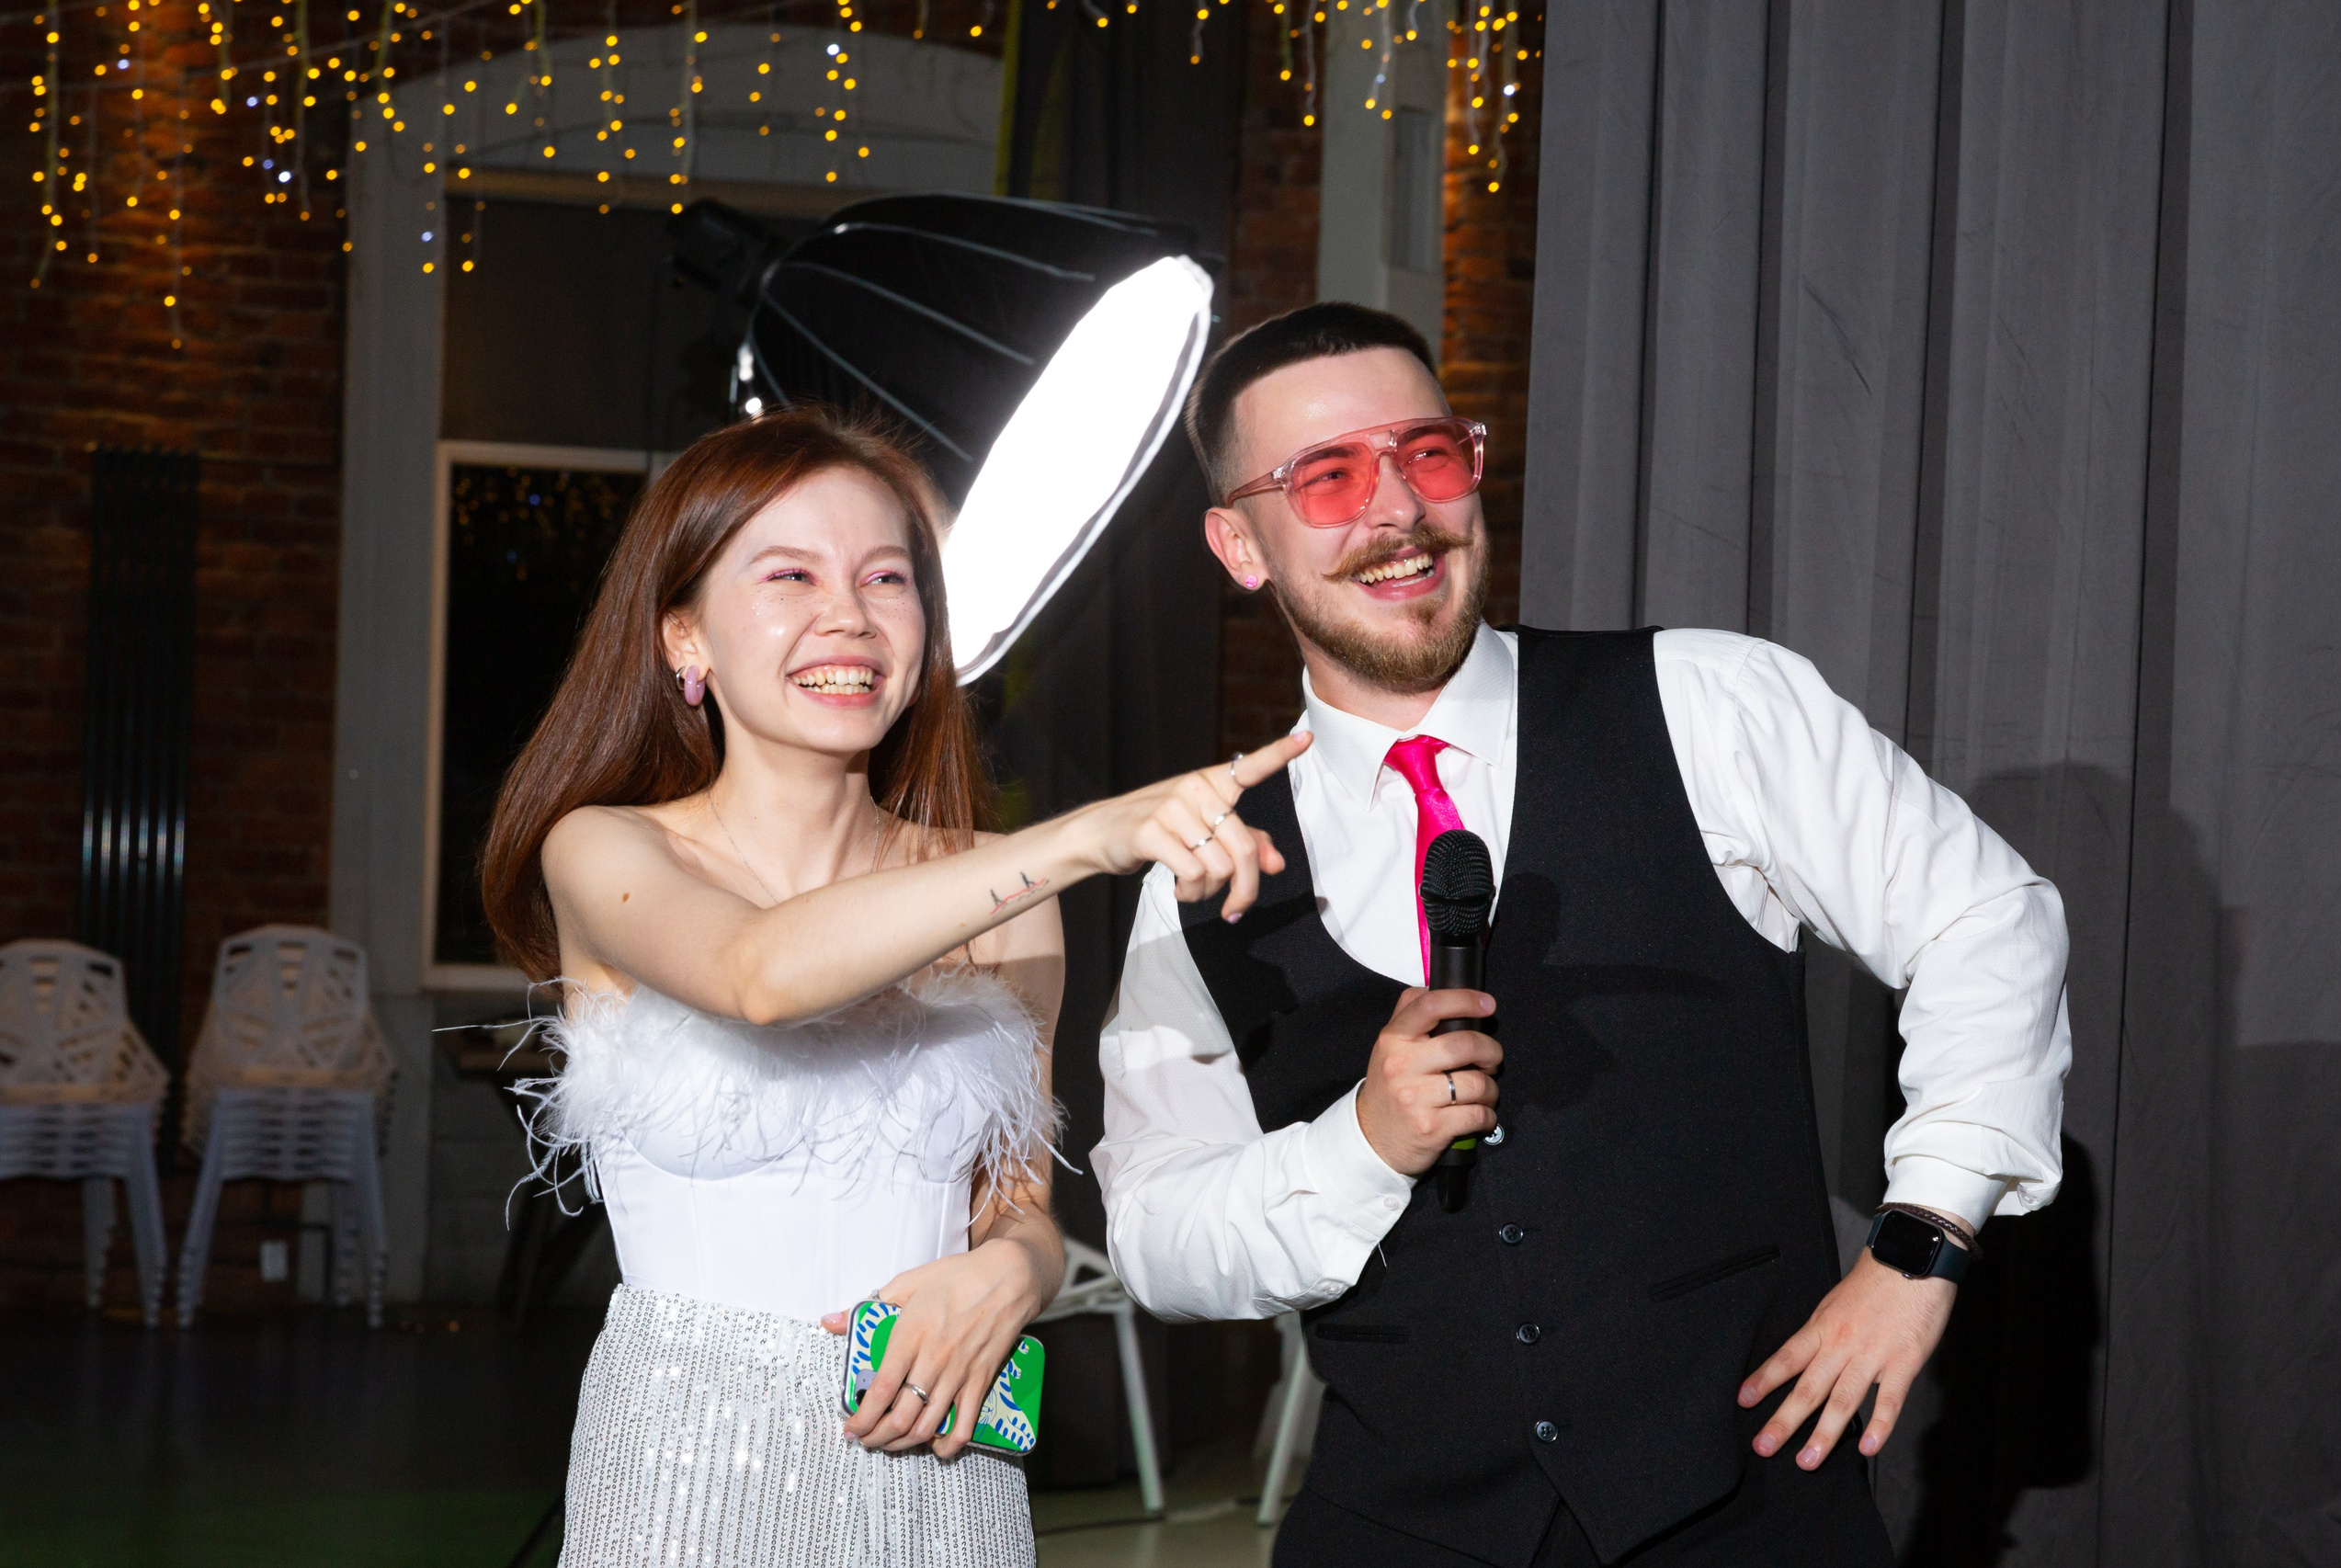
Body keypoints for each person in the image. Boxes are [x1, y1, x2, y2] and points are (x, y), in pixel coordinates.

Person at [1093, 303, 2072, 1566]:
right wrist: (1359, 1147)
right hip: (1398, 1527)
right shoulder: (1201, 865)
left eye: (1427, 455)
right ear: (1240, 544)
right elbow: (1160, 1235)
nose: (1397, 512)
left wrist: (1920, 1243)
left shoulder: (1709, 701)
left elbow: (1988, 921)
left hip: (1747, 1515)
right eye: (1329, 477)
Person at [479, 406, 1304, 1568]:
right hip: (689, 1471)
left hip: (940, 1459)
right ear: (685, 637)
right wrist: (1083, 837)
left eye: (885, 576)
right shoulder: (607, 849)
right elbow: (757, 974)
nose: (848, 616)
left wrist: (1014, 1269)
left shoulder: (999, 893)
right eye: (789, 575)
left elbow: (1014, 1196)